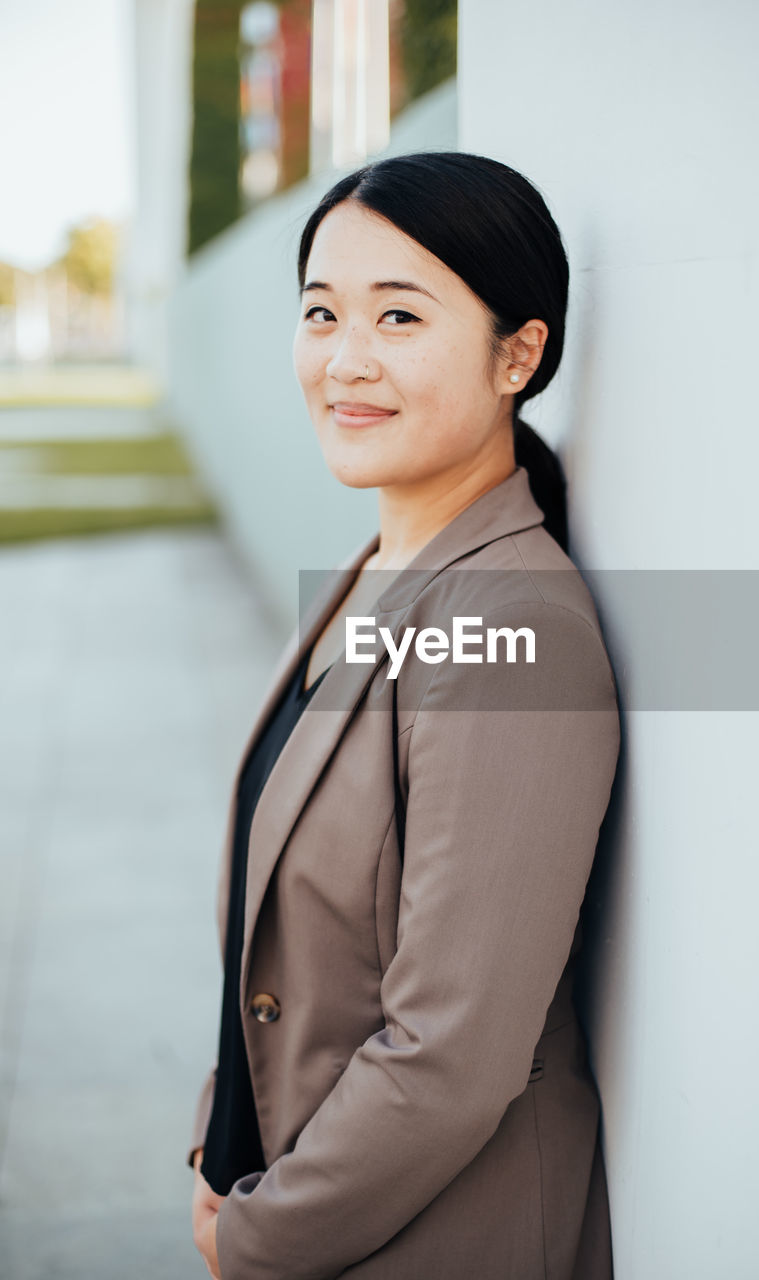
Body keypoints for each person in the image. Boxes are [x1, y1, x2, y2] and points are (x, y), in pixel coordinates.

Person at [189, 150, 621, 1280]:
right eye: (321, 311)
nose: (346, 359)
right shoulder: (377, 570)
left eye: (398, 315)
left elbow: (451, 1055)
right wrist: (220, 1139)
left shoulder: (510, 629)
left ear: (517, 354)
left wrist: (258, 1234)